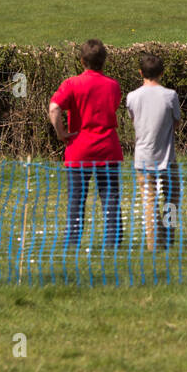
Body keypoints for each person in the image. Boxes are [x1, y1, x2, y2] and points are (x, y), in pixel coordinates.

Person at [49, 39, 123, 249]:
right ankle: (112, 243)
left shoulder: (71, 84)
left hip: (79, 148)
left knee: (76, 199)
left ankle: (72, 243)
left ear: (82, 60)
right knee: (110, 198)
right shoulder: (113, 85)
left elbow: (54, 108)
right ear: (104, 61)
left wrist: (61, 132)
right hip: (108, 148)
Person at [126, 52, 181, 252]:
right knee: (172, 198)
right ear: (162, 73)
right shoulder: (170, 95)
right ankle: (169, 236)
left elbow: (133, 119)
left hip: (143, 157)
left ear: (141, 72)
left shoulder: (132, 97)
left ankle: (153, 243)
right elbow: (176, 121)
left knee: (149, 201)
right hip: (167, 157)